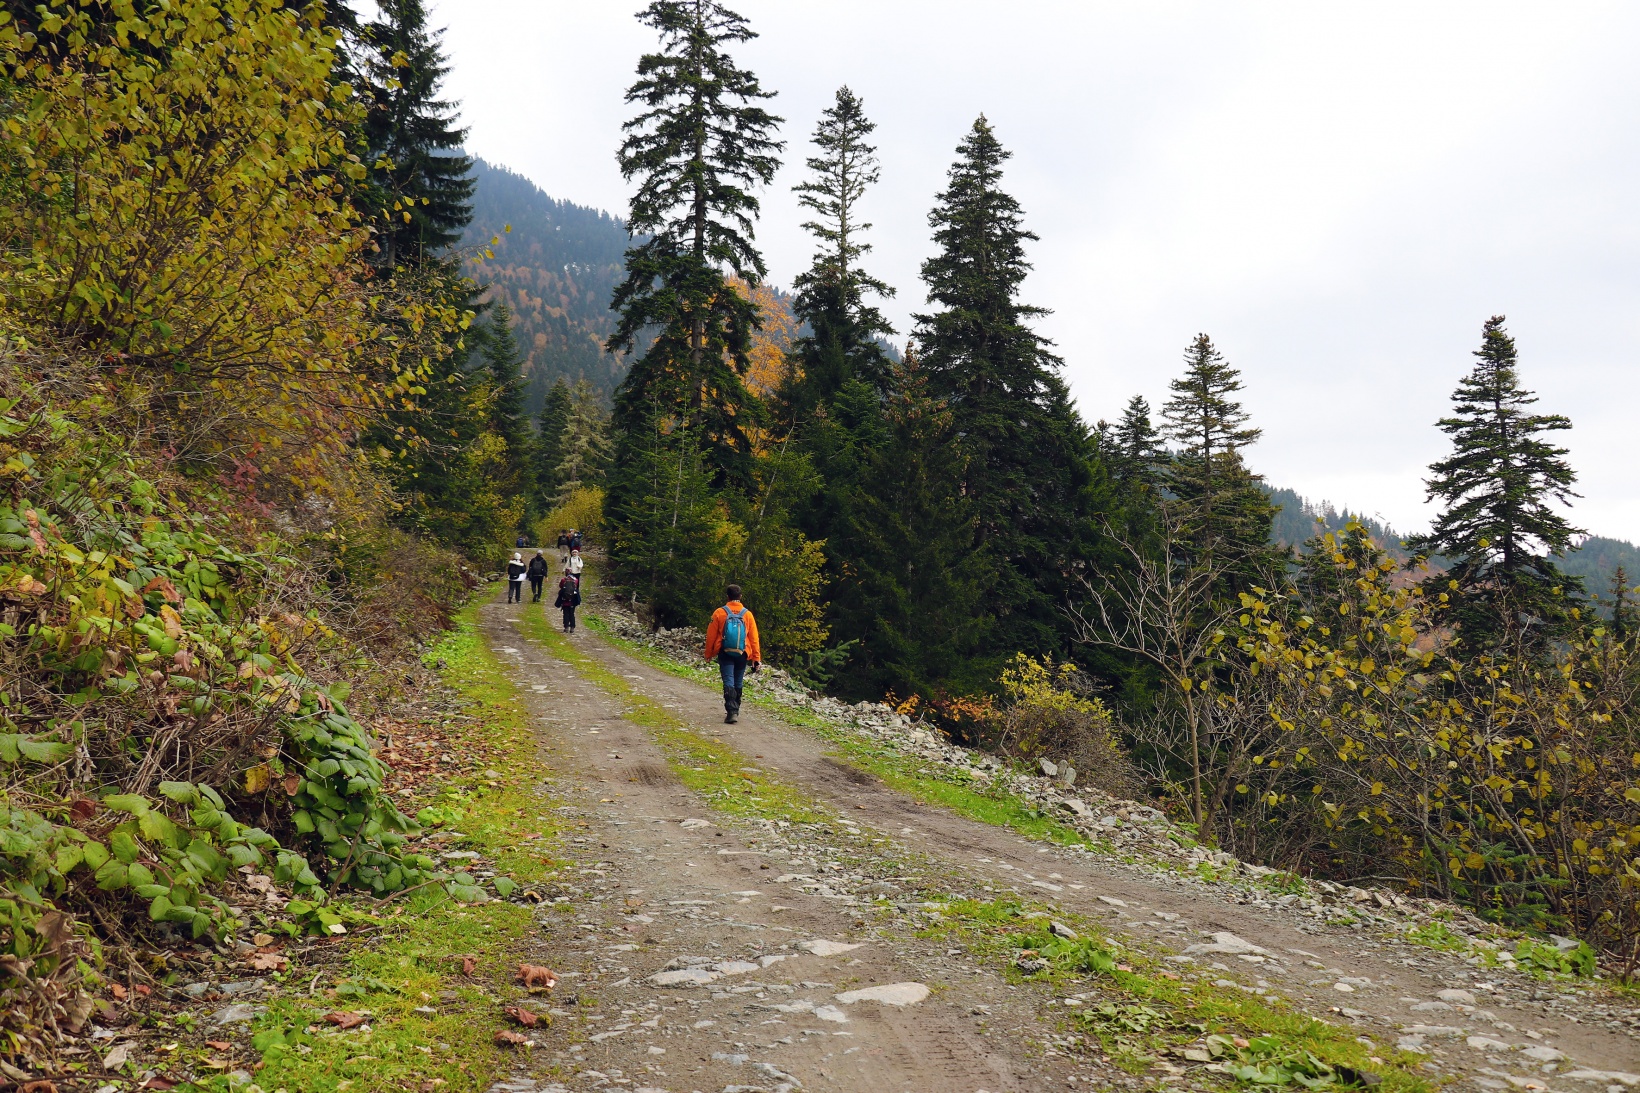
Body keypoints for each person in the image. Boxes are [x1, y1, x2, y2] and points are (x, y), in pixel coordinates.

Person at [702, 583, 760, 724]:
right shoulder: (747, 614)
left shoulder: (719, 613)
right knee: (738, 681)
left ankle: (731, 711)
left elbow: (711, 636)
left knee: (728, 680)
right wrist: (756, 658)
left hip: (725, 651)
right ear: (740, 596)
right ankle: (736, 709)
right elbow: (754, 638)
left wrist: (708, 654)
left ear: (727, 596)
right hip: (742, 653)